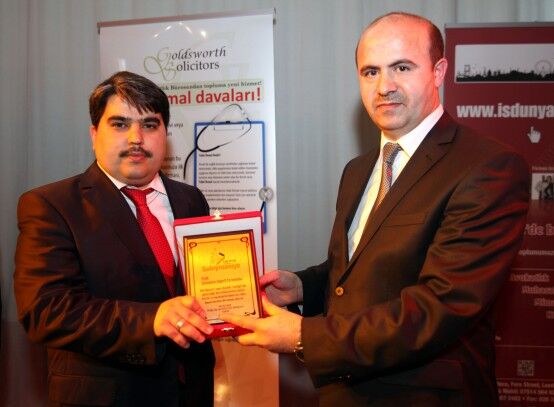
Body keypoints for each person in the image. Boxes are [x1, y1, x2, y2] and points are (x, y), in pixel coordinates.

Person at [222, 12, 530, 406]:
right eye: (370, 72)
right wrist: (303, 286)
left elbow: (441, 306)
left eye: (402, 67)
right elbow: (361, 270)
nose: (384, 86)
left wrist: (304, 336)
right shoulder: (359, 169)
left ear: (438, 72)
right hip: (344, 392)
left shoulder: (487, 166)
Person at [14, 71, 215, 406]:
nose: (136, 138)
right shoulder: (51, 205)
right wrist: (152, 320)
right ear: (94, 134)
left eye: (150, 124)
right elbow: (46, 310)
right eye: (120, 124)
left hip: (191, 393)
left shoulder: (190, 199)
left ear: (165, 133)